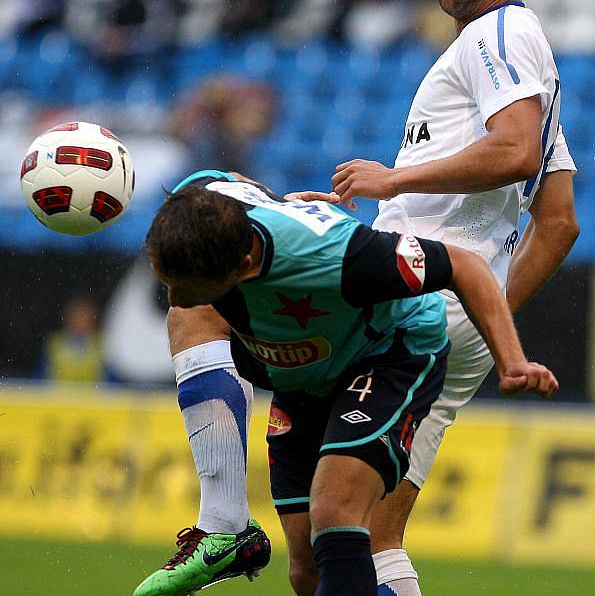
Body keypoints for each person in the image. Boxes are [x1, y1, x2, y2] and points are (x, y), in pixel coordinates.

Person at [134, 169, 558, 596]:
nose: (176, 297)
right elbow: (227, 179)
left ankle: (226, 527)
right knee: (306, 570)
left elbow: (464, 265)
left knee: (335, 510)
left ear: (244, 264)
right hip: (308, 371)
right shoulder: (201, 199)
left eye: (190, 286)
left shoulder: (336, 254)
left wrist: (512, 362)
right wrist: (281, 202)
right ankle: (224, 526)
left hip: (388, 357)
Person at [325, 0, 579, 596]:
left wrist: (392, 184)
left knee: (330, 522)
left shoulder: (496, 38)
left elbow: (514, 154)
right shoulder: (531, 66)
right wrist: (485, 306)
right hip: (457, 311)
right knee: (375, 534)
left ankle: (218, 516)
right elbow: (557, 221)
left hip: (414, 300)